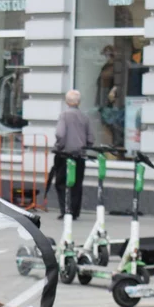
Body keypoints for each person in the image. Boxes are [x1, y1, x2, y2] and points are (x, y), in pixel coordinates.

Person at [53, 89, 92, 220]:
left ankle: (66, 210)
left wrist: (58, 146)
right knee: (77, 184)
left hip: (65, 155)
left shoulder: (64, 115)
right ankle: (75, 211)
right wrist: (85, 147)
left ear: (66, 101)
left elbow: (60, 134)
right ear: (79, 102)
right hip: (80, 156)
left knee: (61, 182)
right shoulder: (85, 116)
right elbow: (91, 138)